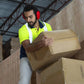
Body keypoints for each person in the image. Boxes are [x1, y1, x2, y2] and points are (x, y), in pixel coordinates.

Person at [18, 4, 52, 84]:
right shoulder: (22, 30)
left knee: (51, 76)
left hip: (42, 55)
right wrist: (42, 43)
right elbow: (28, 48)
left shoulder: (47, 26)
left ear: (37, 15)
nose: (28, 20)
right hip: (27, 57)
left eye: (30, 17)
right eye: (26, 18)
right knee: (24, 81)